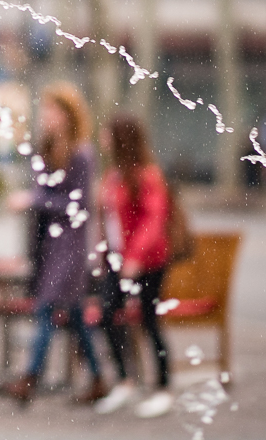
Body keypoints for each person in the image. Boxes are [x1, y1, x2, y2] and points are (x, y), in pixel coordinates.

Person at [4, 83, 105, 404]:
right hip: (47, 245)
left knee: (46, 307)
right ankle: (99, 376)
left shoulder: (82, 155)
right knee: (74, 314)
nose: (47, 117)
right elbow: (45, 194)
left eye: (53, 110)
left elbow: (78, 205)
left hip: (71, 245)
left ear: (68, 115)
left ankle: (30, 377)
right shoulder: (45, 151)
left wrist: (35, 200)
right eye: (45, 110)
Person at [93, 115, 174, 418]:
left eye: (107, 132)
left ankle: (163, 386)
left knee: (150, 321)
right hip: (117, 261)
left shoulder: (147, 175)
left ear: (120, 137)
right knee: (107, 314)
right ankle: (125, 381)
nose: (102, 136)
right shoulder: (113, 174)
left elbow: (154, 219)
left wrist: (136, 257)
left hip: (148, 262)